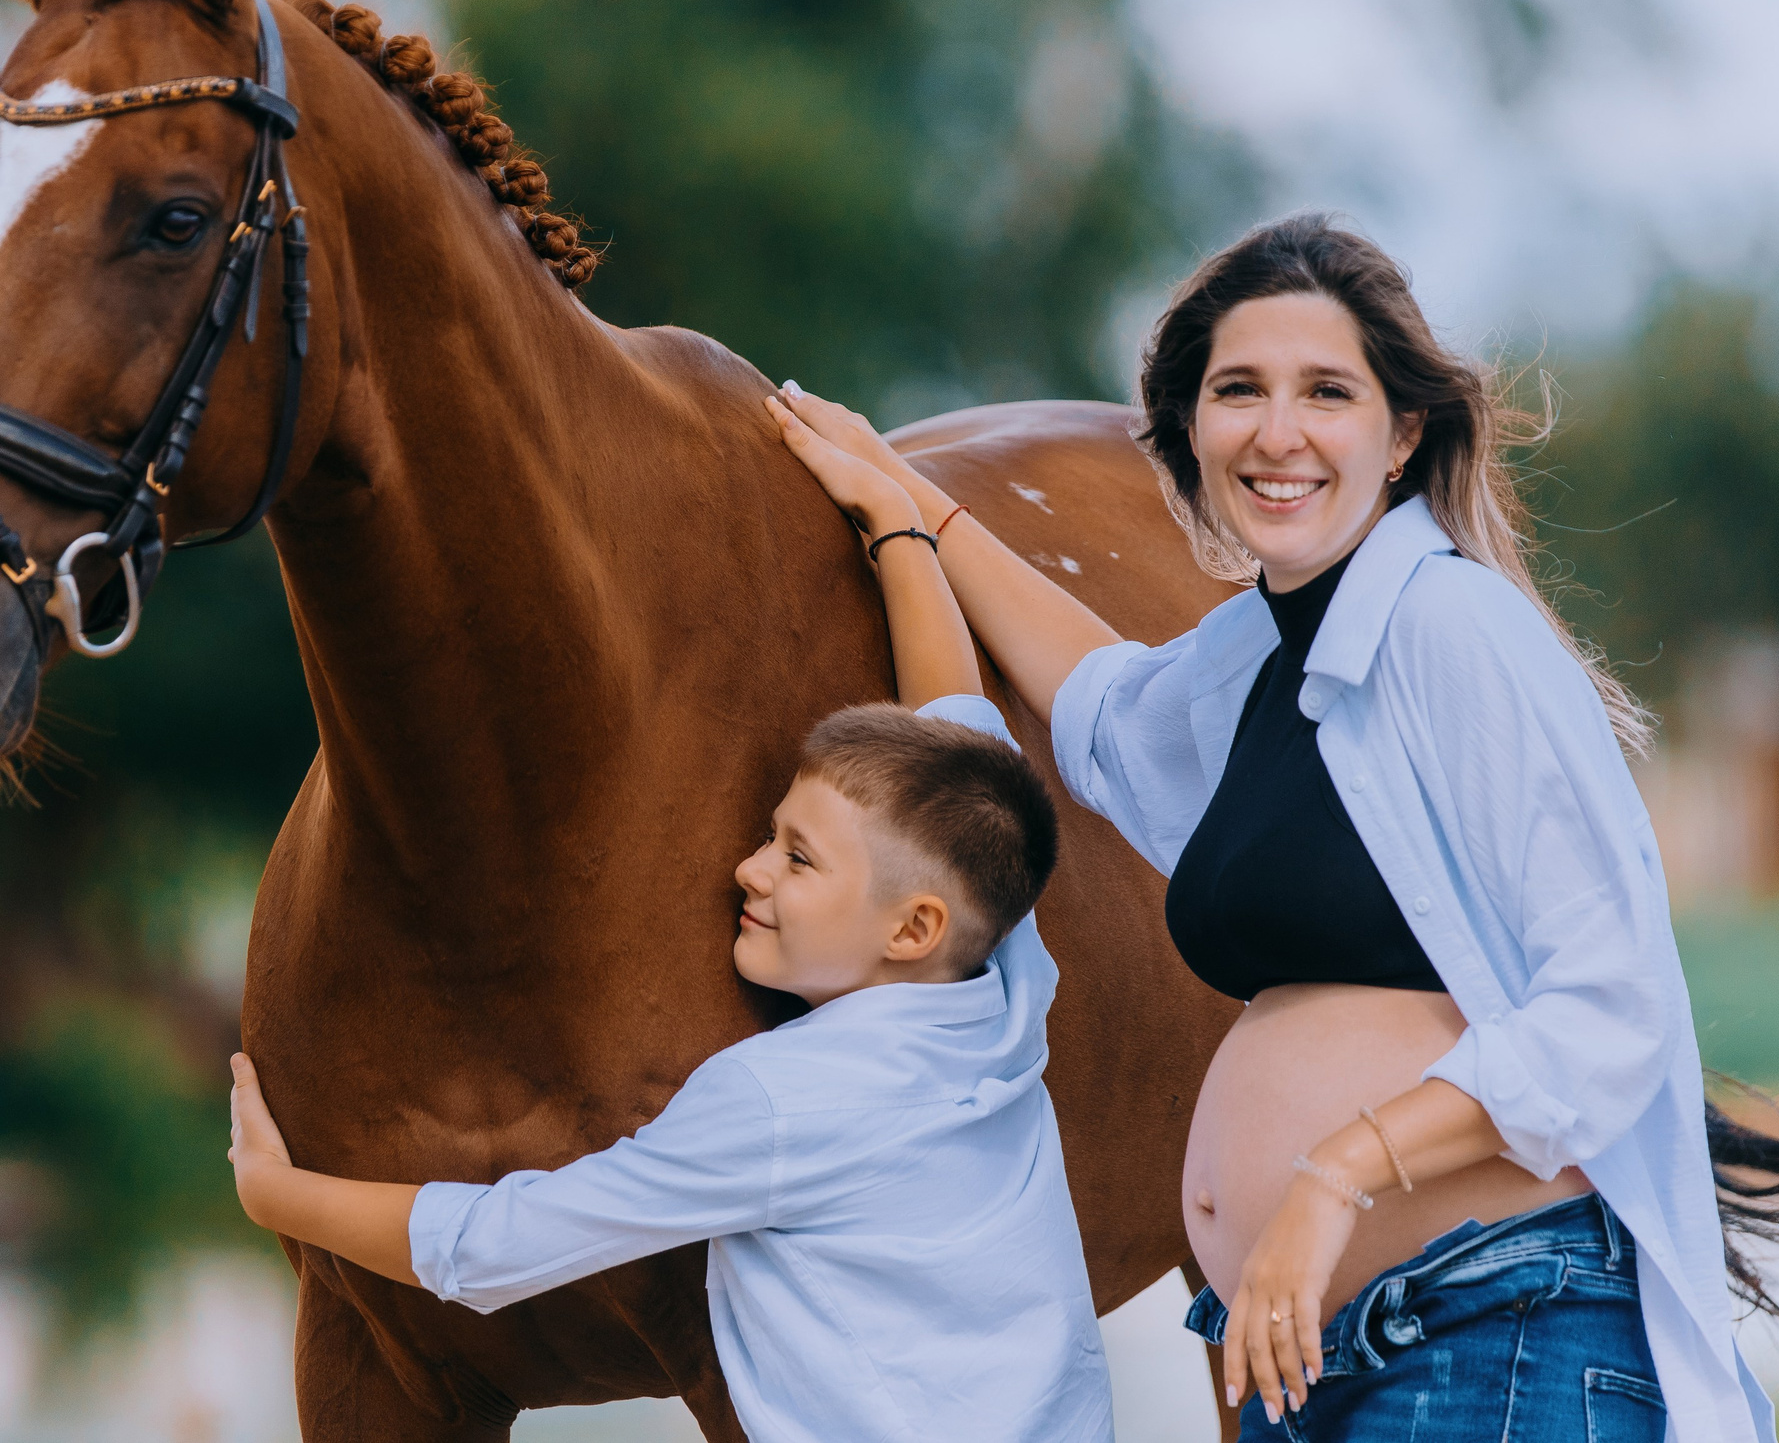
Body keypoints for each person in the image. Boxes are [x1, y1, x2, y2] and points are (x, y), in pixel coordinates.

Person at [765, 213, 1779, 1443]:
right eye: (1236, 389)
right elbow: (1098, 710)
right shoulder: (1258, 659)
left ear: (1402, 433)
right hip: (1316, 1363)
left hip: (1487, 1340)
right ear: (1190, 432)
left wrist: (1333, 1176)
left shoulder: (1450, 628)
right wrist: (907, 503)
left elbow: (1608, 1009)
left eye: (1326, 392)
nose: (1277, 430)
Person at [225, 421, 1115, 1443]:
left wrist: (278, 1198)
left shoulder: (777, 1099)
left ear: (912, 927)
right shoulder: (1003, 974)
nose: (749, 867)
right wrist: (896, 525)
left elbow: (498, 1243)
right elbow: (959, 731)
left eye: (796, 856)